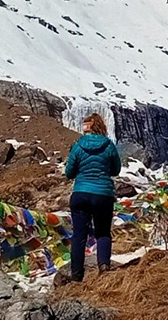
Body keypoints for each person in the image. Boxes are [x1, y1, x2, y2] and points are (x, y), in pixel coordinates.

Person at [63, 112, 120, 281]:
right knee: (103, 232)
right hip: (103, 194)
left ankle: (77, 275)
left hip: (81, 193)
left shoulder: (79, 146)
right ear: (101, 127)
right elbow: (116, 170)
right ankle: (103, 267)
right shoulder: (109, 145)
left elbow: (69, 172)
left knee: (79, 235)